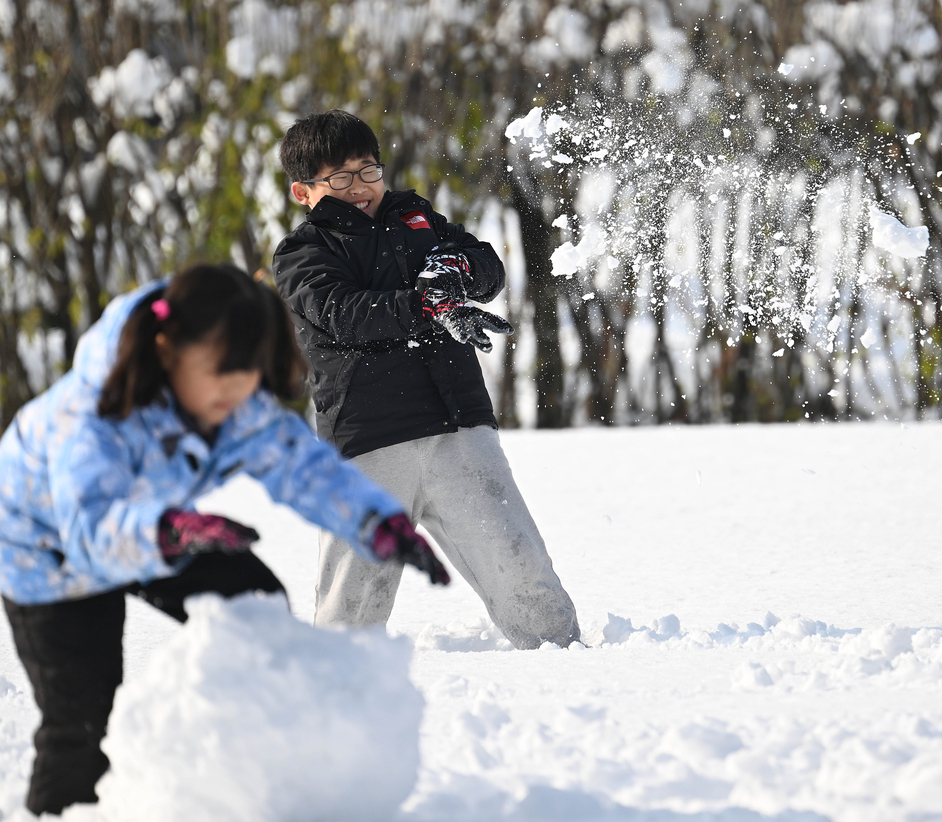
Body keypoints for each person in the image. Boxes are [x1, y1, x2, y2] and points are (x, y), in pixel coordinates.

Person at [0, 264, 450, 816]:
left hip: (159, 529)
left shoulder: (230, 402)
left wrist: (378, 522)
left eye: (249, 375)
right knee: (83, 721)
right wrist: (170, 532)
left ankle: (243, 761)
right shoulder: (93, 417)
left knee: (252, 603)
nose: (237, 391)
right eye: (223, 372)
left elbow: (303, 468)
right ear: (167, 349)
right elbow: (90, 529)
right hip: (50, 556)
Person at [272, 109, 580, 648]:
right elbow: (347, 314)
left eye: (368, 170)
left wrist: (455, 273)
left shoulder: (417, 218)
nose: (360, 187)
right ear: (304, 191)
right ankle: (333, 704)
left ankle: (572, 671)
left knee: (520, 569)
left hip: (458, 427)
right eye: (340, 178)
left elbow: (486, 264)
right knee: (353, 602)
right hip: (369, 442)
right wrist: (426, 302)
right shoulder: (304, 252)